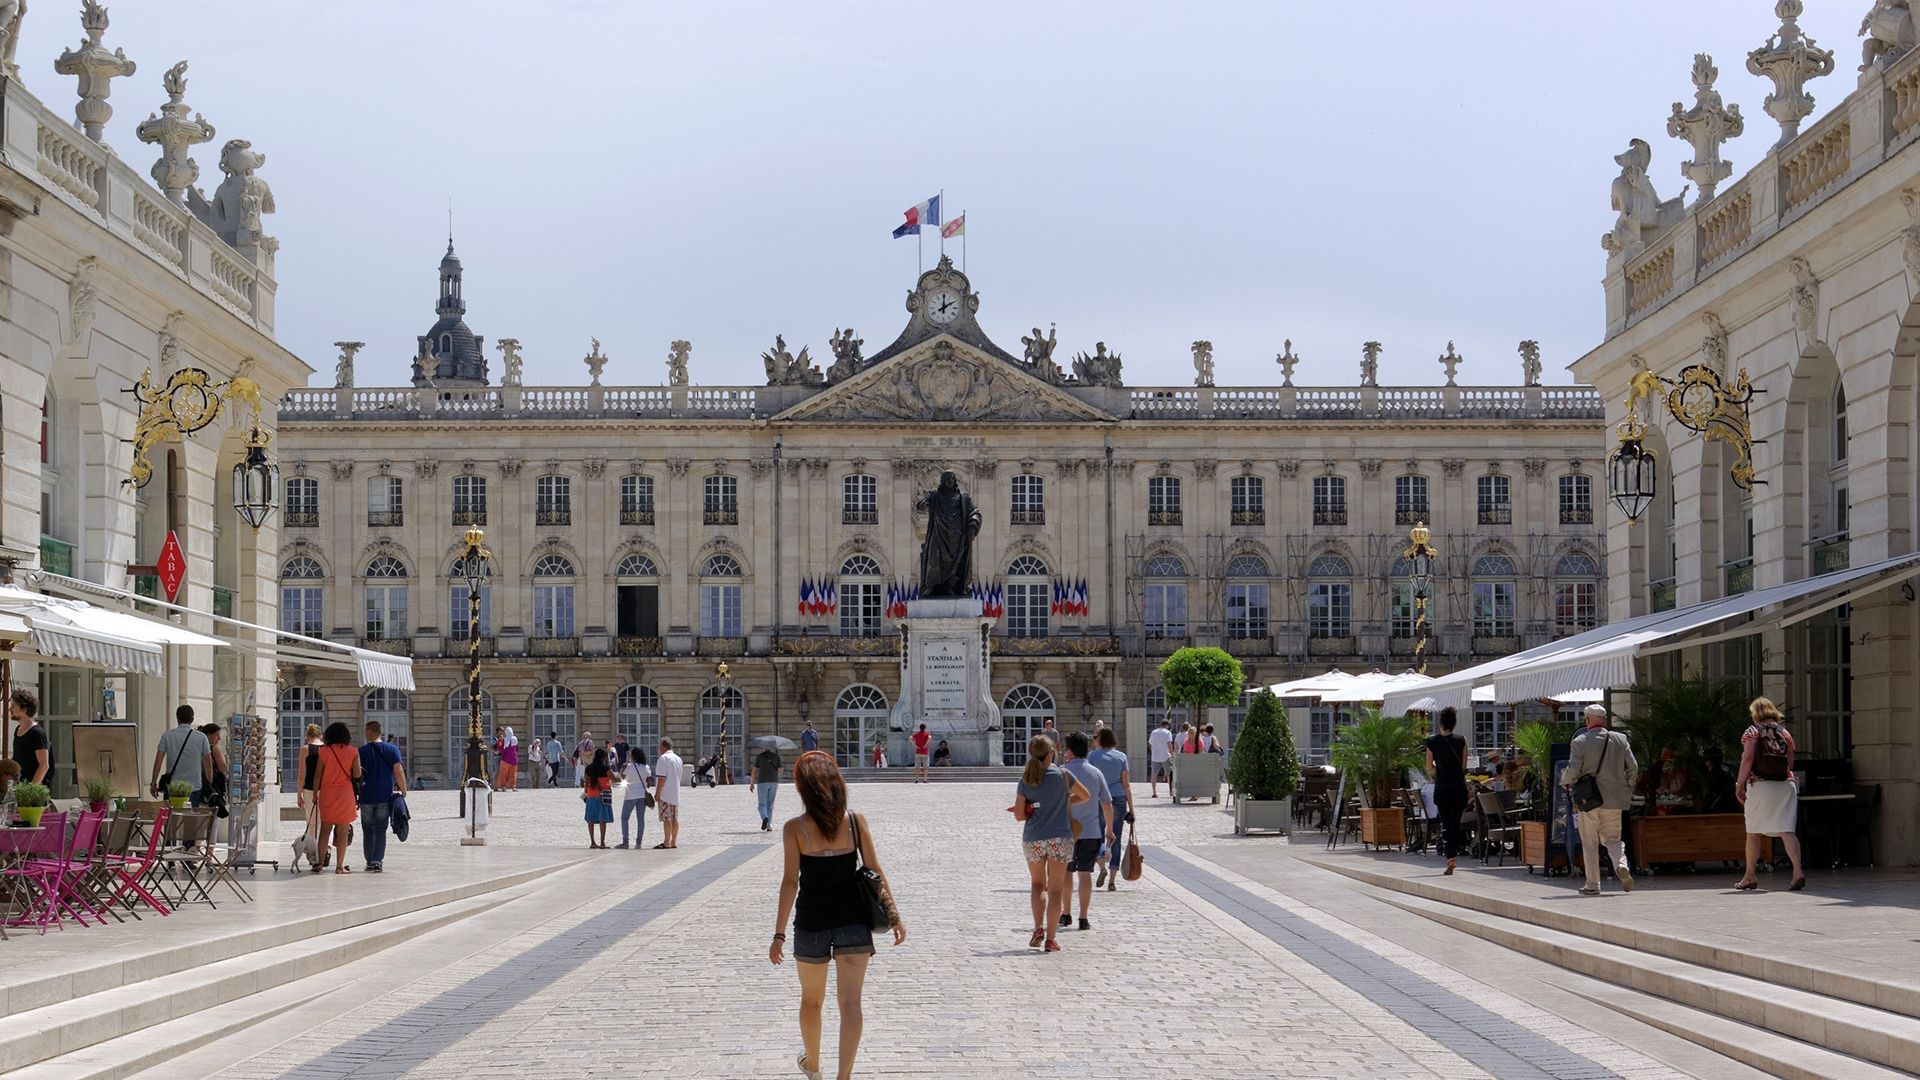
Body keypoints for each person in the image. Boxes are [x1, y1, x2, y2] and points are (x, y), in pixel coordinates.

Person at [771, 752, 904, 1080]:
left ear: (803, 789)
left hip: (812, 923)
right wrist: (895, 915)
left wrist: (778, 934)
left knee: (811, 1001)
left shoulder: (794, 829)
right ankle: (843, 1077)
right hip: (853, 923)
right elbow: (874, 868)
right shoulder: (855, 822)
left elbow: (790, 882)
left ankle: (814, 1067)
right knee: (851, 1004)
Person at [1011, 734, 1090, 953]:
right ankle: (1051, 939)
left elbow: (1018, 815)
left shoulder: (1025, 779)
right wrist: (1065, 800)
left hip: (1034, 838)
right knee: (1055, 890)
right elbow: (1085, 796)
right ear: (1051, 753)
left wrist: (1034, 808)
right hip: (1060, 838)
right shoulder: (1063, 775)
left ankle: (1037, 928)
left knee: (1037, 884)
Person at [1563, 704, 1639, 896]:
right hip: (1614, 799)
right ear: (1604, 720)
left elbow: (1573, 770)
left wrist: (1564, 781)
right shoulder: (1620, 739)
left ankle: (1593, 884)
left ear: (1587, 719)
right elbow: (1634, 767)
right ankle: (1621, 864)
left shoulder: (1579, 741)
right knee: (1613, 839)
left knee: (1590, 842)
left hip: (1588, 800)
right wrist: (1627, 788)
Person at [1735, 697, 1806, 892]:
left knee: (1753, 832)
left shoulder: (1752, 732)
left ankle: (1749, 876)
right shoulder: (1785, 732)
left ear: (1755, 714)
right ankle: (1797, 872)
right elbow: (1790, 760)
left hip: (1760, 785)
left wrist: (1739, 784)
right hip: (1785, 785)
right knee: (1786, 830)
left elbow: (1748, 757)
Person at [1060, 731, 1114, 931]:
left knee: (1066, 873)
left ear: (1070, 751)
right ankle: (1083, 917)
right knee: (1085, 873)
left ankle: (1066, 913)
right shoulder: (1095, 772)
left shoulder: (1062, 772)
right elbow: (1107, 803)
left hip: (1067, 831)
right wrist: (1109, 828)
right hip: (1091, 831)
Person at [311, 722, 363, 875]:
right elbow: (357, 774)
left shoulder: (324, 752)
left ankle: (320, 863)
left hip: (328, 793)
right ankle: (339, 866)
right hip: (345, 794)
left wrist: (315, 793)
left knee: (325, 830)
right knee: (342, 831)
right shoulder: (353, 752)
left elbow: (318, 775)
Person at [1424, 708, 1470, 875]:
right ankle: (1454, 856)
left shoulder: (1432, 742)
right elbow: (1464, 766)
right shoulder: (1462, 740)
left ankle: (1449, 858)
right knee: (1456, 823)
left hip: (1442, 787)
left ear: (1440, 722)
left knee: (1445, 822)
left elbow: (1429, 768)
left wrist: (1438, 773)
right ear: (1454, 723)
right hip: (1458, 786)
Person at [1088, 727, 1134, 891]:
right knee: (1116, 837)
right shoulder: (1122, 756)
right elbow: (1126, 784)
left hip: (1100, 799)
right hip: (1119, 799)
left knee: (1097, 837)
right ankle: (1112, 881)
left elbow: (1090, 779)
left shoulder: (1093, 756)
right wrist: (1132, 809)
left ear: (1100, 739)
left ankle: (1102, 868)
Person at [358, 719, 406, 872]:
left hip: (366, 796)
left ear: (371, 732)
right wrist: (403, 790)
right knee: (380, 829)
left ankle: (369, 860)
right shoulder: (392, 749)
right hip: (384, 795)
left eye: (366, 731)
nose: (365, 734)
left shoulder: (361, 751)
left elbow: (356, 774)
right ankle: (377, 860)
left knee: (367, 830)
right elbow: (399, 771)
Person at [149, 705, 211, 804]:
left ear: (177, 718)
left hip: (172, 788)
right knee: (191, 818)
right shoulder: (202, 738)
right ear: (192, 719)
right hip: (194, 787)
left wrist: (153, 783)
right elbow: (208, 765)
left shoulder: (167, 736)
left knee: (171, 818)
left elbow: (158, 762)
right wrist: (209, 784)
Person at [9, 688, 47, 786]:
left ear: (24, 709)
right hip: (19, 787)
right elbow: (18, 758)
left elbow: (44, 765)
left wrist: (30, 789)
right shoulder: (18, 730)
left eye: (13, 706)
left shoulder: (37, 733)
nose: (10, 709)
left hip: (31, 794)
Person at [617, 746, 652, 849]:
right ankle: (638, 843)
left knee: (624, 818)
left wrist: (622, 769)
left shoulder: (629, 766)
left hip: (630, 795)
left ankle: (625, 842)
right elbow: (649, 782)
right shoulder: (646, 767)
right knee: (640, 819)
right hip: (642, 795)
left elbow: (622, 777)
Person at [653, 737, 683, 849]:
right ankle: (674, 841)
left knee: (667, 818)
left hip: (665, 794)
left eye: (660, 745)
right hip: (675, 793)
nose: (659, 748)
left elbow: (662, 778)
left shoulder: (663, 758)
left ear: (664, 746)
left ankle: (666, 842)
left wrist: (657, 793)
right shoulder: (678, 759)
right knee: (675, 818)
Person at [582, 748, 614, 849]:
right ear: (604, 757)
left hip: (591, 795)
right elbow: (614, 779)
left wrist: (586, 793)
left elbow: (586, 782)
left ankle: (592, 842)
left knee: (591, 819)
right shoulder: (606, 768)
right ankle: (602, 842)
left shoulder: (589, 768)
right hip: (603, 796)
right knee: (602, 819)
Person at [198, 723, 229, 815]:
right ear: (208, 735)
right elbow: (222, 768)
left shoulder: (197, 747)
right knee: (212, 822)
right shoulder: (213, 749)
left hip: (198, 788)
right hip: (211, 789)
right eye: (216, 735)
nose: (219, 738)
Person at [1700, 745, 1739, 813]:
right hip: (1727, 811)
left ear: (1709, 761)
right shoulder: (1726, 776)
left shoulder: (1713, 777)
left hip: (1717, 811)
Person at [752, 745, 782, 830]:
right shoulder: (776, 756)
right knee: (770, 805)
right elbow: (780, 770)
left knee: (762, 804)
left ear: (764, 747)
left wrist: (752, 783)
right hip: (774, 782)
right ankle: (768, 825)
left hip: (762, 782)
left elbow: (754, 771)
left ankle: (764, 817)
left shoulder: (760, 756)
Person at [1148, 718, 1174, 798]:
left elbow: (1150, 744)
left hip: (1155, 756)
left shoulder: (1154, 732)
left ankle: (1154, 792)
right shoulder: (1167, 732)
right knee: (1169, 774)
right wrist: (1172, 754)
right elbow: (1169, 744)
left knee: (1154, 775)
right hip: (1165, 756)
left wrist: (1153, 751)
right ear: (1167, 725)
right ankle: (1171, 791)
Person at [494, 727, 519, 791]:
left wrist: (498, 752)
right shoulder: (515, 739)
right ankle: (513, 787)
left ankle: (503, 787)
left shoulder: (505, 739)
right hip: (514, 759)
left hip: (505, 759)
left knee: (503, 773)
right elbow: (517, 749)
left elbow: (502, 749)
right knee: (513, 773)